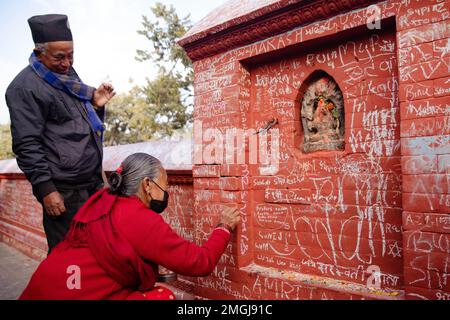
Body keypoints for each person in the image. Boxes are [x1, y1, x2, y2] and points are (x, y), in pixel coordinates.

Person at [19, 153, 241, 300]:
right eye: (165, 185)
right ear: (147, 185)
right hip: (73, 292)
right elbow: (199, 263)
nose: (166, 192)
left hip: (46, 284)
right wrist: (223, 227)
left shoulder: (103, 200)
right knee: (162, 296)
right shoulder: (139, 217)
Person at [5, 14, 116, 252]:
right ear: (39, 52)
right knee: (69, 256)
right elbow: (27, 144)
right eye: (59, 57)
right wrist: (46, 189)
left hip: (91, 183)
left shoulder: (65, 76)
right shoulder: (24, 87)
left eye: (71, 55)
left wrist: (95, 104)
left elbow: (72, 123)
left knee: (99, 249)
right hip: (63, 191)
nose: (67, 63)